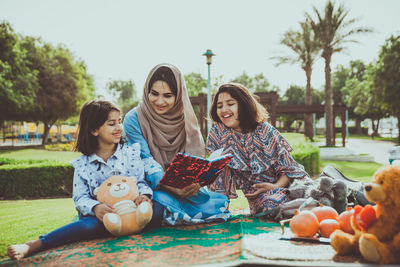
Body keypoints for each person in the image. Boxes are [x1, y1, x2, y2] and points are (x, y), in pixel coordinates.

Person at [7, 100, 163, 260]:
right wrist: (96, 208)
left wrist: (143, 196)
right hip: (102, 219)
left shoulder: (130, 154)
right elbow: (80, 197)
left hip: (130, 211)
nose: (119, 128)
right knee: (87, 227)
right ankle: (36, 244)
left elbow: (139, 181)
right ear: (94, 130)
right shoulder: (83, 165)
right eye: (111, 124)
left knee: (157, 210)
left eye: (120, 121)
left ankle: (130, 224)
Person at [123, 63, 230, 225]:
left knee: (219, 201)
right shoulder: (134, 119)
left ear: (178, 95)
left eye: (168, 95)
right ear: (147, 91)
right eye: (154, 93)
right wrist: (172, 187)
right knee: (157, 206)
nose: (160, 101)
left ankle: (178, 212)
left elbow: (194, 158)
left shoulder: (185, 118)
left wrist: (195, 183)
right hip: (150, 187)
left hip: (185, 188)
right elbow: (144, 159)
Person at [206, 83, 312, 217]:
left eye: (230, 104)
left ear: (244, 105)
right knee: (269, 204)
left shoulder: (265, 131)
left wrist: (275, 187)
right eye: (219, 106)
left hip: (288, 187)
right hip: (260, 200)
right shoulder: (218, 133)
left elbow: (290, 169)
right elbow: (219, 175)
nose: (223, 109)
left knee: (291, 202)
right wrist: (218, 208)